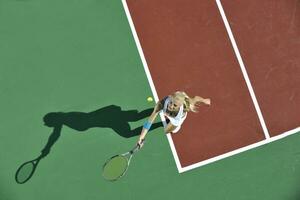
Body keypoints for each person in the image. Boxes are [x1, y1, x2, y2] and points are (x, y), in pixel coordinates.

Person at [137, 91, 211, 148]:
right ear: (170, 98)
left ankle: (168, 116)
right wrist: (141, 137)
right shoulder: (162, 103)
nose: (171, 106)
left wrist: (204, 100)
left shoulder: (184, 109)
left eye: (175, 105)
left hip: (175, 119)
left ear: (179, 106)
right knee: (157, 110)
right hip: (167, 108)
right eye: (171, 102)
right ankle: (162, 110)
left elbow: (196, 98)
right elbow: (149, 121)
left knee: (169, 130)